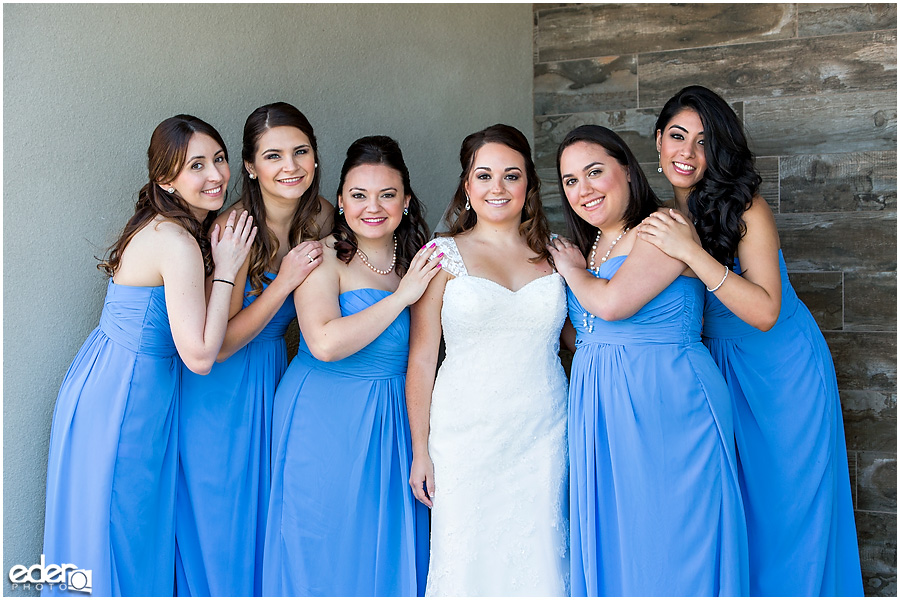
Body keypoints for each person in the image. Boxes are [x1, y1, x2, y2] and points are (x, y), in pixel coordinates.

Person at [638, 84, 863, 596]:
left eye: (703, 141)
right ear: (657, 141)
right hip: (717, 370)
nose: (687, 153)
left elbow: (764, 310)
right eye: (677, 136)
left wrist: (692, 253)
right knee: (739, 513)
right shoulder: (659, 216)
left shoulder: (746, 207)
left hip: (782, 371)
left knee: (790, 517)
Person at [41, 115, 256, 597]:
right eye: (195, 165)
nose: (216, 175)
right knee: (120, 533)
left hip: (130, 386)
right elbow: (201, 355)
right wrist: (225, 269)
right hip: (123, 399)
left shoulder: (183, 228)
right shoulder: (175, 241)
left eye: (218, 159)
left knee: (135, 533)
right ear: (165, 179)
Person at [548, 124, 748, 596]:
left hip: (668, 402)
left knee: (671, 540)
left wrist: (571, 272)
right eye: (571, 181)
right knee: (623, 538)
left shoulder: (663, 227)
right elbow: (587, 335)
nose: (584, 189)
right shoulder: (593, 245)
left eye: (595, 172)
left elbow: (613, 305)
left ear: (628, 171)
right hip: (601, 406)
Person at [262, 135, 436, 596]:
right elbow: (323, 342)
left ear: (406, 199)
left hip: (393, 420)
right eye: (358, 195)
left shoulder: (419, 263)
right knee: (325, 543)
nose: (372, 207)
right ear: (340, 201)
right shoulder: (322, 260)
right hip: (323, 419)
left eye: (387, 194)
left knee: (385, 545)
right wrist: (402, 297)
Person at [175, 102, 332, 596]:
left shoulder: (323, 215)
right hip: (222, 389)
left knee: (271, 516)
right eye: (273, 156)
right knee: (226, 521)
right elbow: (217, 346)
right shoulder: (236, 229)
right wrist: (283, 283)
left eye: (301, 152)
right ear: (250, 166)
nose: (291, 167)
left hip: (277, 382)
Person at [407, 124, 569, 596]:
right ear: (467, 185)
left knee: (541, 557)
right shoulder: (440, 256)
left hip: (545, 433)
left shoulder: (555, 255)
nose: (497, 188)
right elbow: (420, 361)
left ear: (529, 186)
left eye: (511, 175)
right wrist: (421, 451)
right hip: (465, 438)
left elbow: (580, 339)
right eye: (484, 175)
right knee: (468, 561)